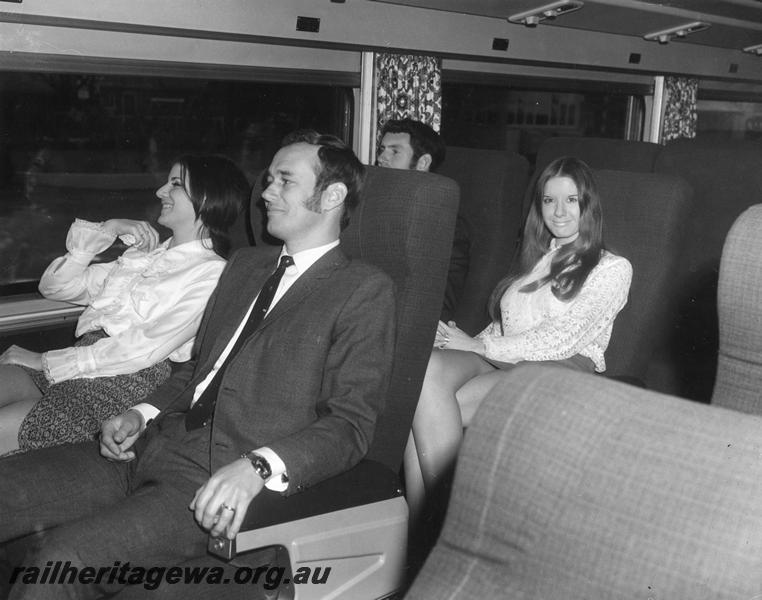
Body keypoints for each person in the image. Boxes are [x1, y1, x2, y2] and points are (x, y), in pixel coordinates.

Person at [0, 130, 396, 600]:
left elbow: (350, 424)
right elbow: (196, 371)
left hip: (215, 473)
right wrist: (139, 414)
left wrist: (257, 469)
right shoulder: (246, 266)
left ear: (331, 195)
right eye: (268, 179)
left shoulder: (362, 289)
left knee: (61, 563)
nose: (266, 191)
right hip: (145, 445)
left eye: (284, 181)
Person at [405, 156, 633, 517]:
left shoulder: (611, 268)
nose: (558, 211)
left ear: (588, 205)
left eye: (570, 200)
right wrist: (456, 339)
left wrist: (480, 346)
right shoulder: (537, 259)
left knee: (421, 412)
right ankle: (426, 530)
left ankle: (435, 525)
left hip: (559, 371)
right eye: (548, 200)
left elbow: (563, 338)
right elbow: (507, 326)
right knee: (424, 372)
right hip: (509, 360)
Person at [0, 154, 247, 455]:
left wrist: (45, 361)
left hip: (122, 380)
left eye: (175, 184)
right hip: (81, 359)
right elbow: (55, 286)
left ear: (209, 198)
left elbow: (142, 348)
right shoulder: (141, 257)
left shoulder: (213, 274)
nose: (160, 192)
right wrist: (110, 228)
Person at [377, 118, 446, 172]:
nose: (380, 159)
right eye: (381, 150)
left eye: (395, 152)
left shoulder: (437, 190)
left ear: (423, 163)